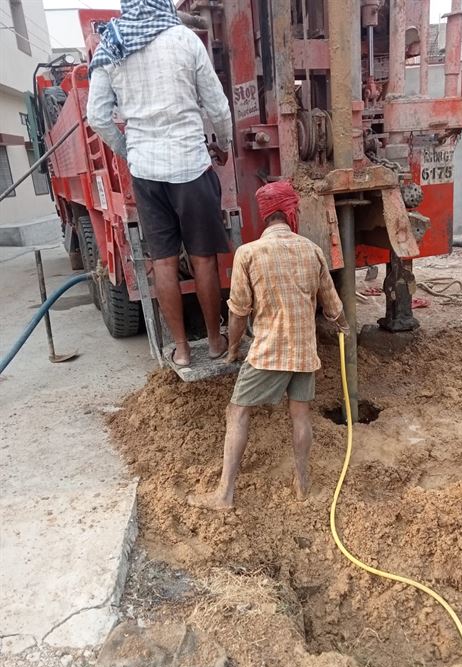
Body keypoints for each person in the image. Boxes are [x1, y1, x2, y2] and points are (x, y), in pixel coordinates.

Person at [87, 0, 232, 365]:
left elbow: (96, 117)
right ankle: (215, 342)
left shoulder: (113, 45)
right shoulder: (184, 39)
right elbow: (217, 106)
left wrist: (128, 150)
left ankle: (181, 351)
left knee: (164, 263)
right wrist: (224, 144)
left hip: (146, 173)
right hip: (190, 166)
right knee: (203, 260)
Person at [198, 181, 349, 510]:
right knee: (300, 416)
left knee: (236, 412)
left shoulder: (248, 253)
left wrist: (233, 350)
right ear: (291, 212)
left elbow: (237, 313)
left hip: (268, 352)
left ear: (264, 216)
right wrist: (343, 327)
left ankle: (224, 495)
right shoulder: (312, 250)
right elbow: (333, 307)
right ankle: (302, 484)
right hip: (304, 353)